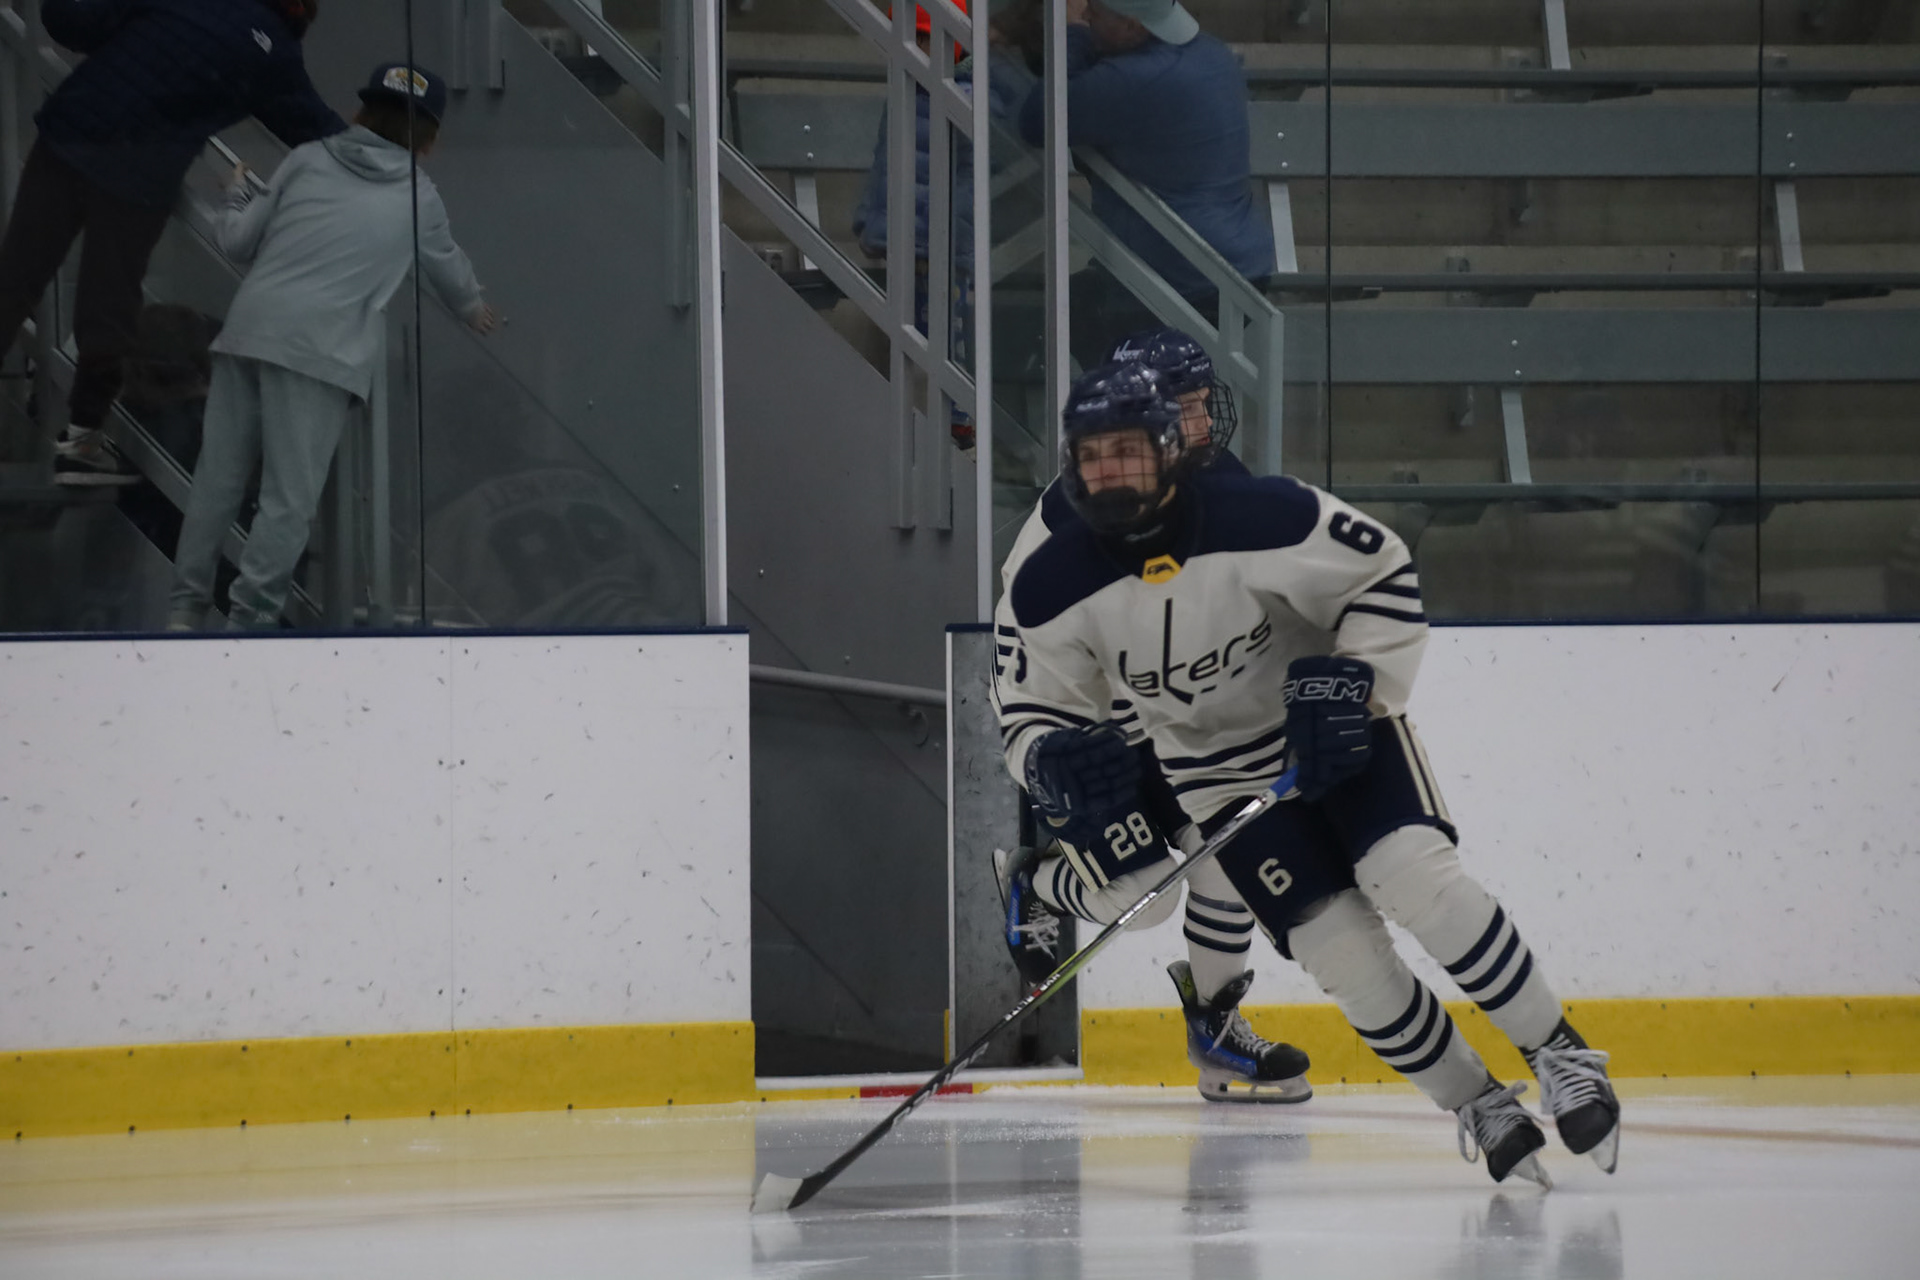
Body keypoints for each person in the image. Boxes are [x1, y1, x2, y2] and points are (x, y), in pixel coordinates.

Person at [999, 360, 1622, 1186]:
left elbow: (1382, 573)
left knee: (1416, 881)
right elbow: (1029, 709)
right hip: (1217, 780)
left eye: (1126, 451)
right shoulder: (1049, 585)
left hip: (1332, 734)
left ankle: (1559, 1053)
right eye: (1090, 454)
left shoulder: (1264, 513)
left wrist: (1356, 681)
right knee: (1344, 956)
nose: (1108, 471)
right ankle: (1475, 1100)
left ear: (1168, 448)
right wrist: (1048, 758)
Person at [990, 328, 1308, 1105]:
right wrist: (1047, 758)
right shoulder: (1074, 524)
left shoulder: (1212, 479)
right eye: (1184, 407)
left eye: (1202, 404)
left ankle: (1217, 1032)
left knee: (1235, 842)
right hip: (1082, 731)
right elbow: (1032, 685)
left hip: (1165, 717)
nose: (1202, 423)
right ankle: (1037, 886)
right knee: (1147, 898)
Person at [168, 64, 496, 631]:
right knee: (288, 500)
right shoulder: (419, 197)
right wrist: (475, 309)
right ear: (430, 138)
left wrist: (236, 194)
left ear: (360, 112)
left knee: (216, 483)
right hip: (320, 353)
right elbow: (449, 272)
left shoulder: (307, 159)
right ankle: (248, 621)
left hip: (248, 330)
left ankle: (184, 610)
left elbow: (239, 241)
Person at [0, 0, 346, 487]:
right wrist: (390, 155)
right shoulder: (274, 54)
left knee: (16, 277)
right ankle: (82, 442)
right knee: (108, 304)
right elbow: (315, 128)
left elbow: (73, 22)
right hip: (138, 172)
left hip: (73, 131)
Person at [1015, 0, 1273, 362]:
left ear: (1132, 26)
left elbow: (1037, 119)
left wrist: (1072, 35)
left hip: (1184, 276)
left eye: (1095, 12)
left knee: (1104, 359)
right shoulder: (1210, 54)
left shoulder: (1135, 80)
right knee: (1067, 308)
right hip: (1232, 264)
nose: (1086, 16)